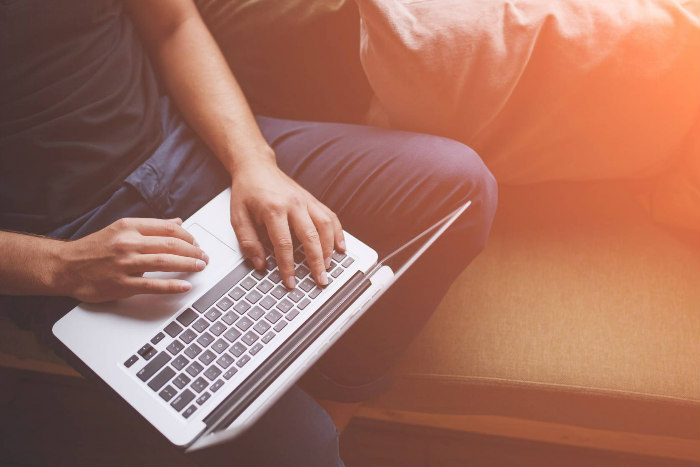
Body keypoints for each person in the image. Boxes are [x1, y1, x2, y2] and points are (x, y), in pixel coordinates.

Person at [0, 0, 497, 465]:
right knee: (304, 447)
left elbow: (173, 24)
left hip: (185, 142)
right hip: (67, 241)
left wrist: (253, 161)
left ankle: (337, 389)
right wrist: (59, 266)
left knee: (460, 188)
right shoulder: (62, 259)